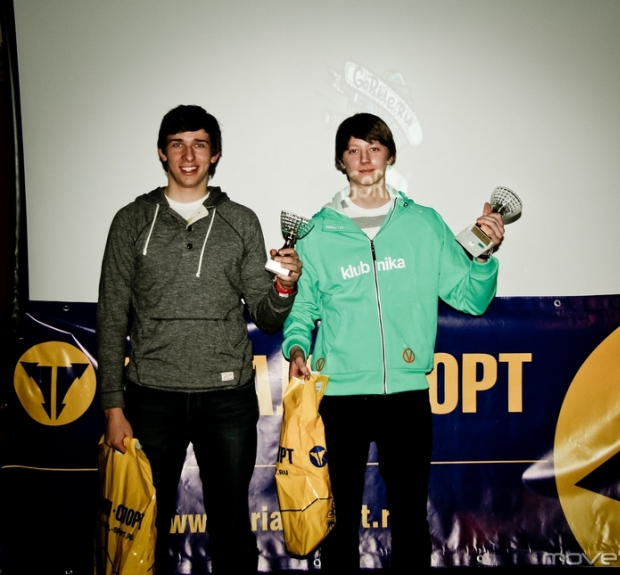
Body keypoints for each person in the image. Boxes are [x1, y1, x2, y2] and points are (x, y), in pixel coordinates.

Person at [282, 113, 504, 571]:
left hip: (406, 395)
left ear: (390, 155)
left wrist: (483, 257)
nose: (364, 159)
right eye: (353, 150)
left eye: (374, 148)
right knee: (339, 519)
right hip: (339, 394)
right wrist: (297, 348)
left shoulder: (423, 224)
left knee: (409, 518)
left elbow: (470, 298)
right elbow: (302, 311)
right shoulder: (316, 233)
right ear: (341, 161)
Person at [97, 105, 302, 574]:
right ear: (162, 153)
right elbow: (111, 316)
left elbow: (266, 316)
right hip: (150, 397)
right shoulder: (131, 220)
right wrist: (113, 407)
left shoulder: (240, 221)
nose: (188, 155)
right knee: (141, 528)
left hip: (227, 399)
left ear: (215, 155)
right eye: (177, 144)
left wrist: (284, 286)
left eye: (199, 145)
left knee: (232, 529)